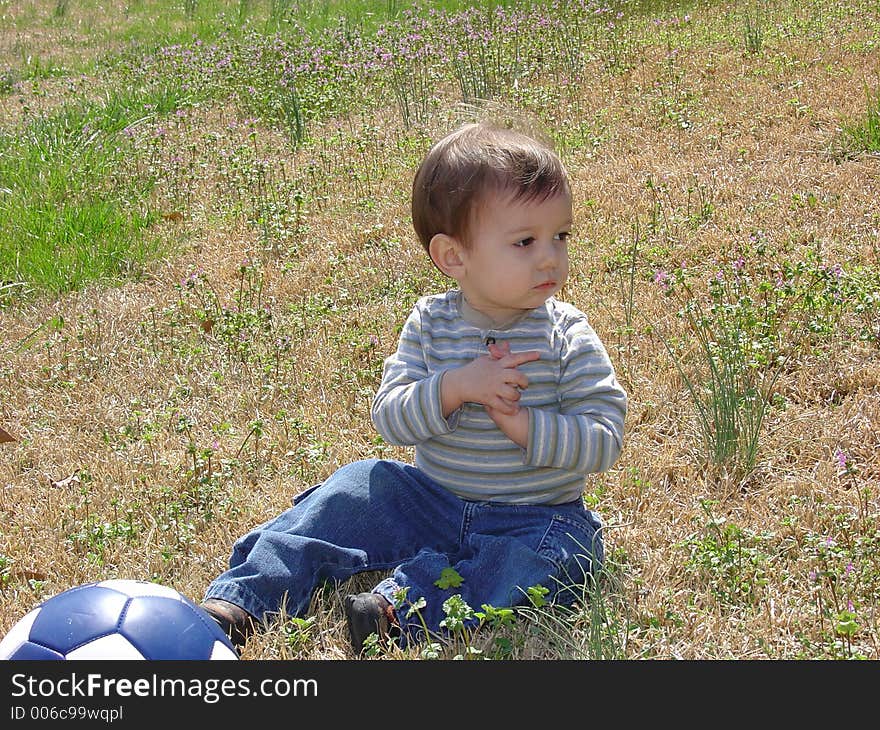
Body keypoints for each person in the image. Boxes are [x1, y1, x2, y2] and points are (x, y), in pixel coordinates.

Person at [201, 120, 628, 656]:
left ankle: (398, 609)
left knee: (563, 555)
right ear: (453, 257)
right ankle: (245, 598)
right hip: (431, 499)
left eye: (559, 236)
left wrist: (526, 427)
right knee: (354, 487)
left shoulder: (567, 334)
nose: (550, 256)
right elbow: (391, 415)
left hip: (536, 513)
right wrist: (453, 387)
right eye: (525, 241)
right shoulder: (430, 324)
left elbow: (604, 434)